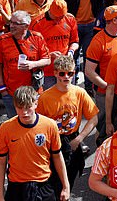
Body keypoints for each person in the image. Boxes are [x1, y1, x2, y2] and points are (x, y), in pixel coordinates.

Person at [0, 86, 70, 201]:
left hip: (43, 184)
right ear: (14, 106)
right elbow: (1, 162)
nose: (24, 112)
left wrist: (66, 186)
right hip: (17, 187)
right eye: (19, 108)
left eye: (28, 107)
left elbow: (57, 156)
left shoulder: (50, 125)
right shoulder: (6, 128)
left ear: (36, 104)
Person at [36, 55, 98, 190]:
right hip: (53, 141)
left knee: (70, 178)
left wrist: (79, 138)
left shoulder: (79, 93)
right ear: (55, 73)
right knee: (54, 182)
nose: (66, 77)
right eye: (62, 73)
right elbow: (38, 125)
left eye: (70, 73)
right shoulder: (45, 97)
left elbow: (94, 118)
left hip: (72, 140)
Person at [85, 5, 117, 143]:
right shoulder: (98, 42)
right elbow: (89, 71)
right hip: (104, 93)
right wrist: (107, 86)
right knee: (104, 127)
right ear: (114, 20)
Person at [59, 0, 104, 96]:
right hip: (74, 26)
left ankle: (89, 87)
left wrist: (98, 20)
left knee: (89, 58)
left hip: (91, 26)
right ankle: (72, 84)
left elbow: (101, 2)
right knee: (74, 57)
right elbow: (63, 5)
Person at [0, 10, 51, 118]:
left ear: (26, 26)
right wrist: (2, 89)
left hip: (34, 92)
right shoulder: (3, 40)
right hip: (11, 93)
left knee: (34, 121)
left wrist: (32, 64)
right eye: (11, 22)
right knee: (15, 123)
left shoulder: (37, 38)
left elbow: (47, 60)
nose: (11, 26)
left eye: (16, 24)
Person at [29, 0, 79, 88]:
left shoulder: (70, 19)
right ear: (50, 11)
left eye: (61, 17)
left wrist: (71, 52)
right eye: (56, 17)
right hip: (48, 71)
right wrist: (49, 55)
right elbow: (31, 50)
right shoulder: (37, 24)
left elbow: (75, 41)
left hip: (66, 69)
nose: (59, 20)